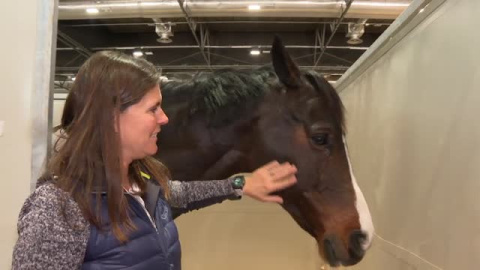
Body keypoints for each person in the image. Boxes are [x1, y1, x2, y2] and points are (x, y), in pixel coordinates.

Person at [12, 51, 297, 269]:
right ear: (112, 118)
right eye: (153, 109)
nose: (164, 118)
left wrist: (240, 185)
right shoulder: (58, 208)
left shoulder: (144, 180)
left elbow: (182, 194)